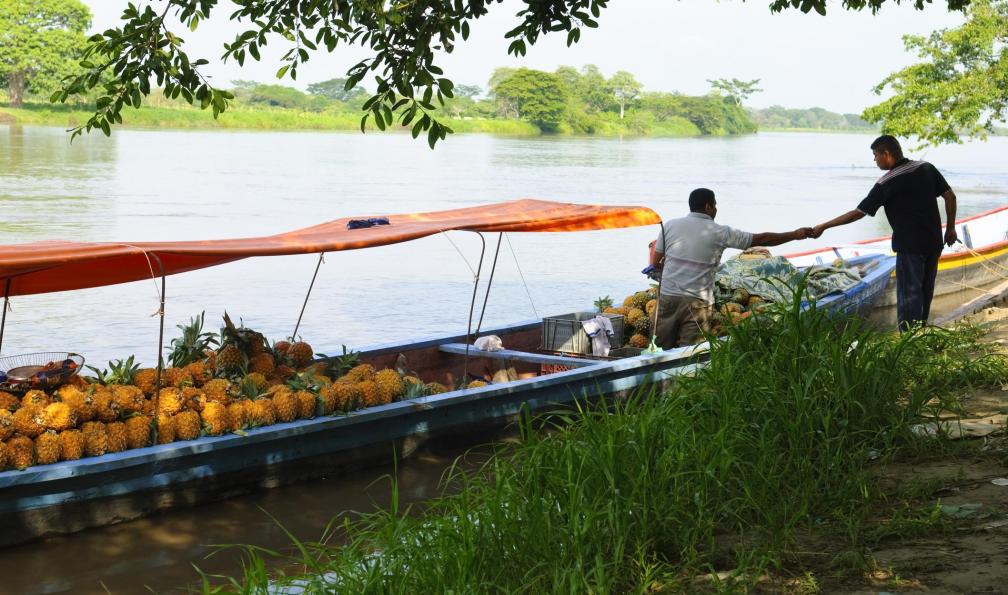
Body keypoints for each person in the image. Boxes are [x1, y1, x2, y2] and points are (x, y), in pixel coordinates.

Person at [810, 135, 957, 331]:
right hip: (933, 243)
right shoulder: (926, 168)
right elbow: (950, 196)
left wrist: (823, 226)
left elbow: (858, 214)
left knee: (909, 296)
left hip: (910, 247)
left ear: (886, 154)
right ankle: (921, 334)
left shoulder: (887, 182)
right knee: (924, 291)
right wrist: (951, 228)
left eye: (875, 155)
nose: (874, 160)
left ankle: (908, 340)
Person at [649, 188, 811, 348]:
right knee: (690, 353)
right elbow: (763, 238)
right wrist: (795, 234)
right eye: (715, 205)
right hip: (697, 302)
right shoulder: (721, 232)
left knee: (657, 348)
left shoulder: (670, 226)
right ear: (708, 206)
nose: (716, 209)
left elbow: (655, 264)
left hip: (667, 298)